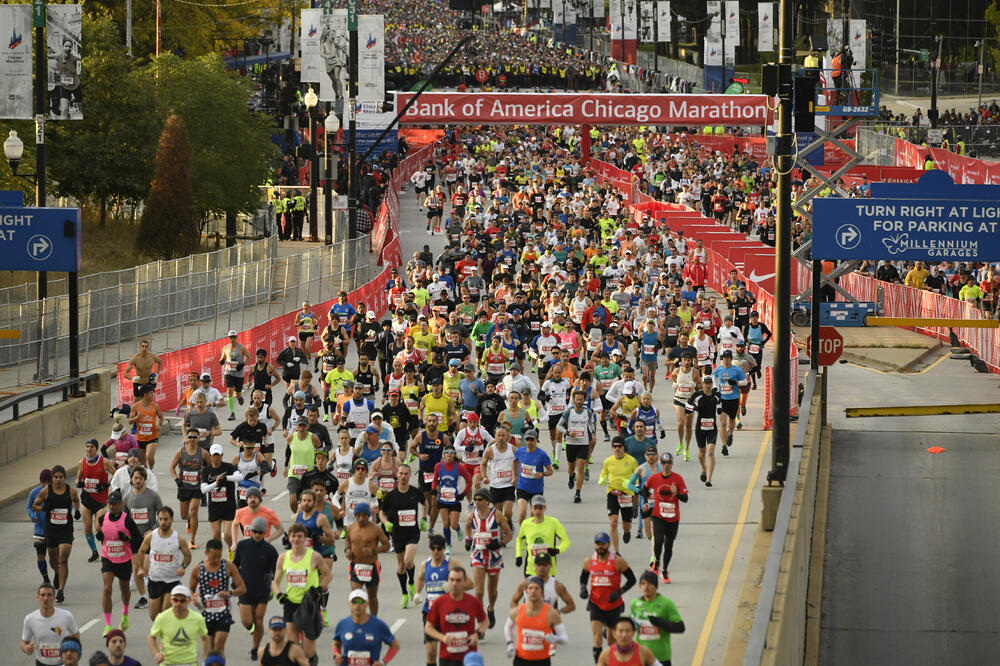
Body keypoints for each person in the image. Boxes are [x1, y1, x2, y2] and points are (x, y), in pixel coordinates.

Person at [272, 523, 332, 662]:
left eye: (300, 536)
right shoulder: (283, 558)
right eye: (293, 536)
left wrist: (319, 589)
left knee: (307, 652)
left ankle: (311, 660)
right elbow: (275, 582)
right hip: (291, 604)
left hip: (309, 605)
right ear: (290, 539)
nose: (296, 539)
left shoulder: (314, 556)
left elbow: (328, 575)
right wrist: (279, 595)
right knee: (293, 649)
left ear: (305, 539)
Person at [415, 534, 473, 666]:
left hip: (449, 613)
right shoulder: (425, 564)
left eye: (439, 548)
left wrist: (453, 588)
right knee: (430, 651)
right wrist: (417, 593)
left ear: (444, 549)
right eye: (433, 548)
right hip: (429, 611)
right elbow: (420, 578)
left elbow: (470, 584)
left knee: (449, 650)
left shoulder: (451, 563)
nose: (436, 551)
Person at [580, 532, 637, 663]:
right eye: (598, 544)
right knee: (597, 637)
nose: (600, 547)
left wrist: (620, 592)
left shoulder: (618, 561)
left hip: (613, 605)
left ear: (608, 544)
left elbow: (632, 579)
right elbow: (583, 577)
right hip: (595, 604)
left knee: (611, 640)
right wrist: (583, 588)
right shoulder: (589, 561)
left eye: (603, 544)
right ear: (594, 544)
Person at [379, 464, 427, 609]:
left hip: (413, 532)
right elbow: (382, 513)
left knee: (407, 561)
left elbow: (426, 504)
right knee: (400, 566)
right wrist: (386, 523)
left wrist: (424, 519)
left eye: (406, 474)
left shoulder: (415, 492)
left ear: (410, 475)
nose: (403, 476)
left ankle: (412, 581)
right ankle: (405, 593)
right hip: (397, 534)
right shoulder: (391, 496)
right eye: (401, 474)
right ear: (397, 475)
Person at [465, 488, 513, 629]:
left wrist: (499, 543)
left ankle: (491, 608)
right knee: (479, 591)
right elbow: (468, 527)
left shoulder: (497, 514)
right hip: (478, 556)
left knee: (492, 592)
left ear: (487, 501)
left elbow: (509, 534)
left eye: (480, 500)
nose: (477, 502)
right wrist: (468, 540)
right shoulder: (471, 516)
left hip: (494, 557)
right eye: (475, 500)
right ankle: (481, 621)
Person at [190, 538, 247, 658]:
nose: (216, 560)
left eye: (219, 556)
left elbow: (242, 588)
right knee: (209, 648)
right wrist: (194, 598)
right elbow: (191, 590)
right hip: (205, 613)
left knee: (219, 646)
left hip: (223, 613)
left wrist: (229, 593)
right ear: (206, 553)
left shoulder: (228, 567)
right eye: (213, 556)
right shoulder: (198, 569)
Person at [96, 489, 142, 636]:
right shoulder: (103, 519)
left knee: (124, 589)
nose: (112, 506)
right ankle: (108, 625)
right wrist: (100, 535)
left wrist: (127, 539)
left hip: (123, 560)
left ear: (121, 504)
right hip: (108, 558)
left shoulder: (126, 519)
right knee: (107, 588)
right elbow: (102, 534)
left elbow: (138, 539)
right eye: (110, 504)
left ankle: (125, 613)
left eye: (115, 504)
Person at [33, 465, 81, 603]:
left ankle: (60, 590)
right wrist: (43, 508)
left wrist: (77, 511)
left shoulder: (70, 491)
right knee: (53, 560)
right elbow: (35, 506)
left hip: (66, 530)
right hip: (51, 531)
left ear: (65, 478)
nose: (58, 479)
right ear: (52, 478)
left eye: (61, 477)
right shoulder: (45, 492)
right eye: (56, 477)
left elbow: (76, 500)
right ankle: (57, 572)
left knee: (62, 559)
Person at [234, 516, 280, 661]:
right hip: (245, 589)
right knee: (247, 621)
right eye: (254, 531)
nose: (257, 534)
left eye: (260, 532)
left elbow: (276, 570)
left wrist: (272, 581)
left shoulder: (271, 550)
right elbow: (235, 565)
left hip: (262, 590)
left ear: (265, 532)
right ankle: (251, 627)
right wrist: (234, 580)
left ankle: (255, 648)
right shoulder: (242, 546)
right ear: (250, 531)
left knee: (259, 620)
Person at [424, 565, 489, 666]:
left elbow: (485, 622)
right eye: (452, 580)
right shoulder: (439, 602)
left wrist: (477, 634)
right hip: (447, 658)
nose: (454, 584)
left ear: (465, 582)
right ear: (448, 581)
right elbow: (428, 628)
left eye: (458, 580)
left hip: (469, 658)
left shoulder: (473, 602)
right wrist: (442, 637)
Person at [137, 506, 192, 621]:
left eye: (166, 519)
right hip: (155, 580)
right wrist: (141, 568)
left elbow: (188, 555)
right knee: (154, 617)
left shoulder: (178, 538)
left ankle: (167, 637)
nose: (163, 522)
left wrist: (183, 566)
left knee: (166, 613)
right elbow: (141, 551)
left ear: (172, 519)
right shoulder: (151, 536)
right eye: (160, 519)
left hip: (171, 581)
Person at [643, 453, 688, 584]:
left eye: (668, 463)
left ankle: (664, 570)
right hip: (658, 515)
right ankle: (656, 562)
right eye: (663, 463)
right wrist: (645, 502)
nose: (666, 465)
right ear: (660, 464)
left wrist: (677, 494)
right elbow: (645, 488)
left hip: (673, 518)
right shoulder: (655, 478)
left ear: (672, 464)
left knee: (669, 545)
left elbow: (685, 498)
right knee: (658, 541)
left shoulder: (678, 479)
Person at [504, 576, 570, 665]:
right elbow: (508, 627)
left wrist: (556, 639)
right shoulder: (516, 612)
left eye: (537, 588)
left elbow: (565, 639)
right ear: (526, 593)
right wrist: (510, 644)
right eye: (530, 588)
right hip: (521, 660)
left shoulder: (552, 614)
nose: (533, 591)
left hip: (542, 661)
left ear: (542, 594)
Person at [124, 464, 163, 609]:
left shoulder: (153, 496)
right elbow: (124, 518)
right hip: (135, 538)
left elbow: (162, 514)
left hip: (151, 537)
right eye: (135, 478)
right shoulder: (128, 497)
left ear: (145, 479)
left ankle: (155, 592)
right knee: (136, 568)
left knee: (146, 568)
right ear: (132, 480)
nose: (138, 481)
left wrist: (154, 529)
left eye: (140, 478)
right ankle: (143, 597)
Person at [344, 501, 391, 615]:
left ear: (368, 515)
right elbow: (347, 541)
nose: (361, 518)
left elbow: (387, 545)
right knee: (356, 596)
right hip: (355, 566)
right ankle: (357, 620)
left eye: (364, 515)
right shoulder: (350, 528)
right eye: (358, 515)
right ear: (355, 516)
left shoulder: (375, 529)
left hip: (371, 566)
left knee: (372, 597)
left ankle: (374, 620)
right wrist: (347, 550)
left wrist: (374, 551)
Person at [629, 570, 685, 666]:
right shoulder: (634, 604)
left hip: (661, 656)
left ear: (656, 586)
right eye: (643, 583)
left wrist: (662, 623)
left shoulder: (666, 603)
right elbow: (632, 627)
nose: (646, 586)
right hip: (640, 656)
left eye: (650, 583)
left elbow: (680, 627)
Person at [332, 589, 402, 665]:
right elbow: (336, 643)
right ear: (349, 604)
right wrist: (336, 654)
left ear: (367, 604)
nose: (357, 605)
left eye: (361, 602)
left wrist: (383, 662)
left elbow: (395, 645)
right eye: (354, 602)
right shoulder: (342, 624)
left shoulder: (378, 625)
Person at [148, 584, 211, 666]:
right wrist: (156, 654)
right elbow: (151, 637)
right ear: (171, 600)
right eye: (175, 600)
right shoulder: (162, 617)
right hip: (167, 663)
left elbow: (205, 638)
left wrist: (206, 660)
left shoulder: (197, 618)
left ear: (189, 601)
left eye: (182, 601)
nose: (178, 604)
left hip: (189, 662)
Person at [20, 583, 79, 666]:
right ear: (38, 597)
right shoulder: (30, 619)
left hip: (62, 663)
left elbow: (76, 635)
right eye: (43, 595)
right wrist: (26, 649)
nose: (45, 598)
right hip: (41, 663)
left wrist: (70, 652)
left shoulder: (66, 616)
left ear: (54, 597)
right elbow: (24, 642)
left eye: (49, 595)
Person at [78, 437, 116, 562]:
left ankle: (107, 550)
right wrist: (79, 483)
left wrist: (106, 485)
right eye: (87, 446)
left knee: (99, 527)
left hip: (100, 500)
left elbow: (116, 474)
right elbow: (78, 478)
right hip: (87, 499)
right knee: (87, 527)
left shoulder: (104, 462)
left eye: (92, 446)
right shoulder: (81, 462)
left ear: (96, 448)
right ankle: (94, 552)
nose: (89, 449)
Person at [201, 443, 244, 556]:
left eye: (218, 455)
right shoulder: (206, 471)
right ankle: (218, 558)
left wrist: (226, 478)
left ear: (222, 455)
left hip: (228, 506)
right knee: (216, 536)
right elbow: (204, 490)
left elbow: (240, 477)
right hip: (214, 507)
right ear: (210, 456)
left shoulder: (229, 467)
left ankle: (232, 552)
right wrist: (215, 483)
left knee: (227, 535)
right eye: (214, 455)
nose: (216, 457)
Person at [170, 430, 210, 550]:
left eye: (194, 437)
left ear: (198, 438)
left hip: (196, 487)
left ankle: (192, 539)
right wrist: (177, 479)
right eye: (190, 437)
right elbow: (171, 467)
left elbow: (211, 466)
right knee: (184, 515)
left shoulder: (203, 453)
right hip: (183, 487)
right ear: (186, 438)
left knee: (193, 511)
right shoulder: (181, 452)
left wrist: (205, 478)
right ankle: (188, 521)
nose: (192, 439)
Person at [556, 390, 598, 504]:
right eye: (577, 399)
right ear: (574, 400)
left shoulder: (588, 412)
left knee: (580, 467)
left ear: (584, 400)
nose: (579, 402)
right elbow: (558, 426)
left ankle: (578, 493)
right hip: (571, 443)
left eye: (581, 400)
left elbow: (590, 424)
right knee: (571, 468)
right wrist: (568, 433)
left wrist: (593, 434)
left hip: (583, 443)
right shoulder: (568, 412)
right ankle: (571, 475)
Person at [599, 437, 639, 553]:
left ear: (623, 448)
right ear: (612, 448)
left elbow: (637, 482)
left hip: (626, 494)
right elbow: (603, 474)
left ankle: (627, 531)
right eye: (615, 446)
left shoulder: (631, 461)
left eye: (619, 446)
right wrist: (602, 479)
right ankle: (616, 551)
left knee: (626, 525)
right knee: (613, 522)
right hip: (612, 493)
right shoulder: (608, 461)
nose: (617, 449)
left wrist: (630, 485)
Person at [515, 495, 571, 577]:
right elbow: (519, 540)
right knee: (532, 590)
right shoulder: (526, 524)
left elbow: (565, 540)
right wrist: (518, 555)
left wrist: (557, 550)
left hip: (548, 568)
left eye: (540, 508)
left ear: (545, 508)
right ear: (531, 508)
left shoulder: (554, 523)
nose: (538, 511)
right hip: (531, 568)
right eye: (535, 507)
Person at [433, 445, 474, 552]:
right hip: (442, 499)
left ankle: (458, 529)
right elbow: (434, 480)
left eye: (452, 452)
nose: (449, 454)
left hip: (455, 499)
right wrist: (433, 489)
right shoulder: (438, 466)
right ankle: (448, 546)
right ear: (444, 454)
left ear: (455, 454)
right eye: (447, 452)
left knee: (453, 524)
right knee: (446, 523)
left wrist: (464, 493)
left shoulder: (459, 467)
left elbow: (469, 481)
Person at [686, 375, 723, 486]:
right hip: (700, 428)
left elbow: (720, 408)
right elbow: (687, 406)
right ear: (702, 384)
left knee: (710, 452)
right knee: (702, 453)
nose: (708, 385)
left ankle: (709, 479)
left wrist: (719, 409)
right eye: (706, 383)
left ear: (712, 384)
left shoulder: (717, 396)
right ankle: (703, 469)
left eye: (709, 383)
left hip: (712, 428)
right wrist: (695, 408)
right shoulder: (697, 395)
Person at [513, 429, 554, 525]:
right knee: (522, 513)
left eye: (532, 439)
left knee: (534, 516)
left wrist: (542, 474)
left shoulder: (542, 454)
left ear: (537, 440)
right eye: (527, 439)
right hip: (522, 487)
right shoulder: (519, 451)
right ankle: (523, 535)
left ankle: (530, 535)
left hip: (536, 489)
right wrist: (514, 475)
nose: (529, 442)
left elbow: (550, 471)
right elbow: (514, 461)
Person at [711, 350, 748, 451]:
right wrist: (714, 388)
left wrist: (735, 382)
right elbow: (714, 377)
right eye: (724, 358)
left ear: (731, 359)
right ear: (722, 359)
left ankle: (731, 434)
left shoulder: (737, 370)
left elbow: (745, 382)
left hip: (734, 399)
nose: (725, 360)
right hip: (723, 399)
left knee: (731, 420)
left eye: (727, 358)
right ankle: (723, 446)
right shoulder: (719, 370)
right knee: (722, 423)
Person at [595, 617, 660, 666]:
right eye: (621, 631)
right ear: (614, 633)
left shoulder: (644, 652)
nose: (624, 635)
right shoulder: (606, 655)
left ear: (633, 633)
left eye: (627, 631)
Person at [28, 468, 52, 585]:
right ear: (41, 481)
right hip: (40, 530)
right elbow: (29, 507)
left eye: (49, 482)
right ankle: (46, 578)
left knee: (55, 557)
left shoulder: (57, 492)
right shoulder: (34, 492)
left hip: (54, 529)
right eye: (44, 482)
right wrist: (33, 516)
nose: (46, 485)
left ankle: (58, 573)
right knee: (40, 556)